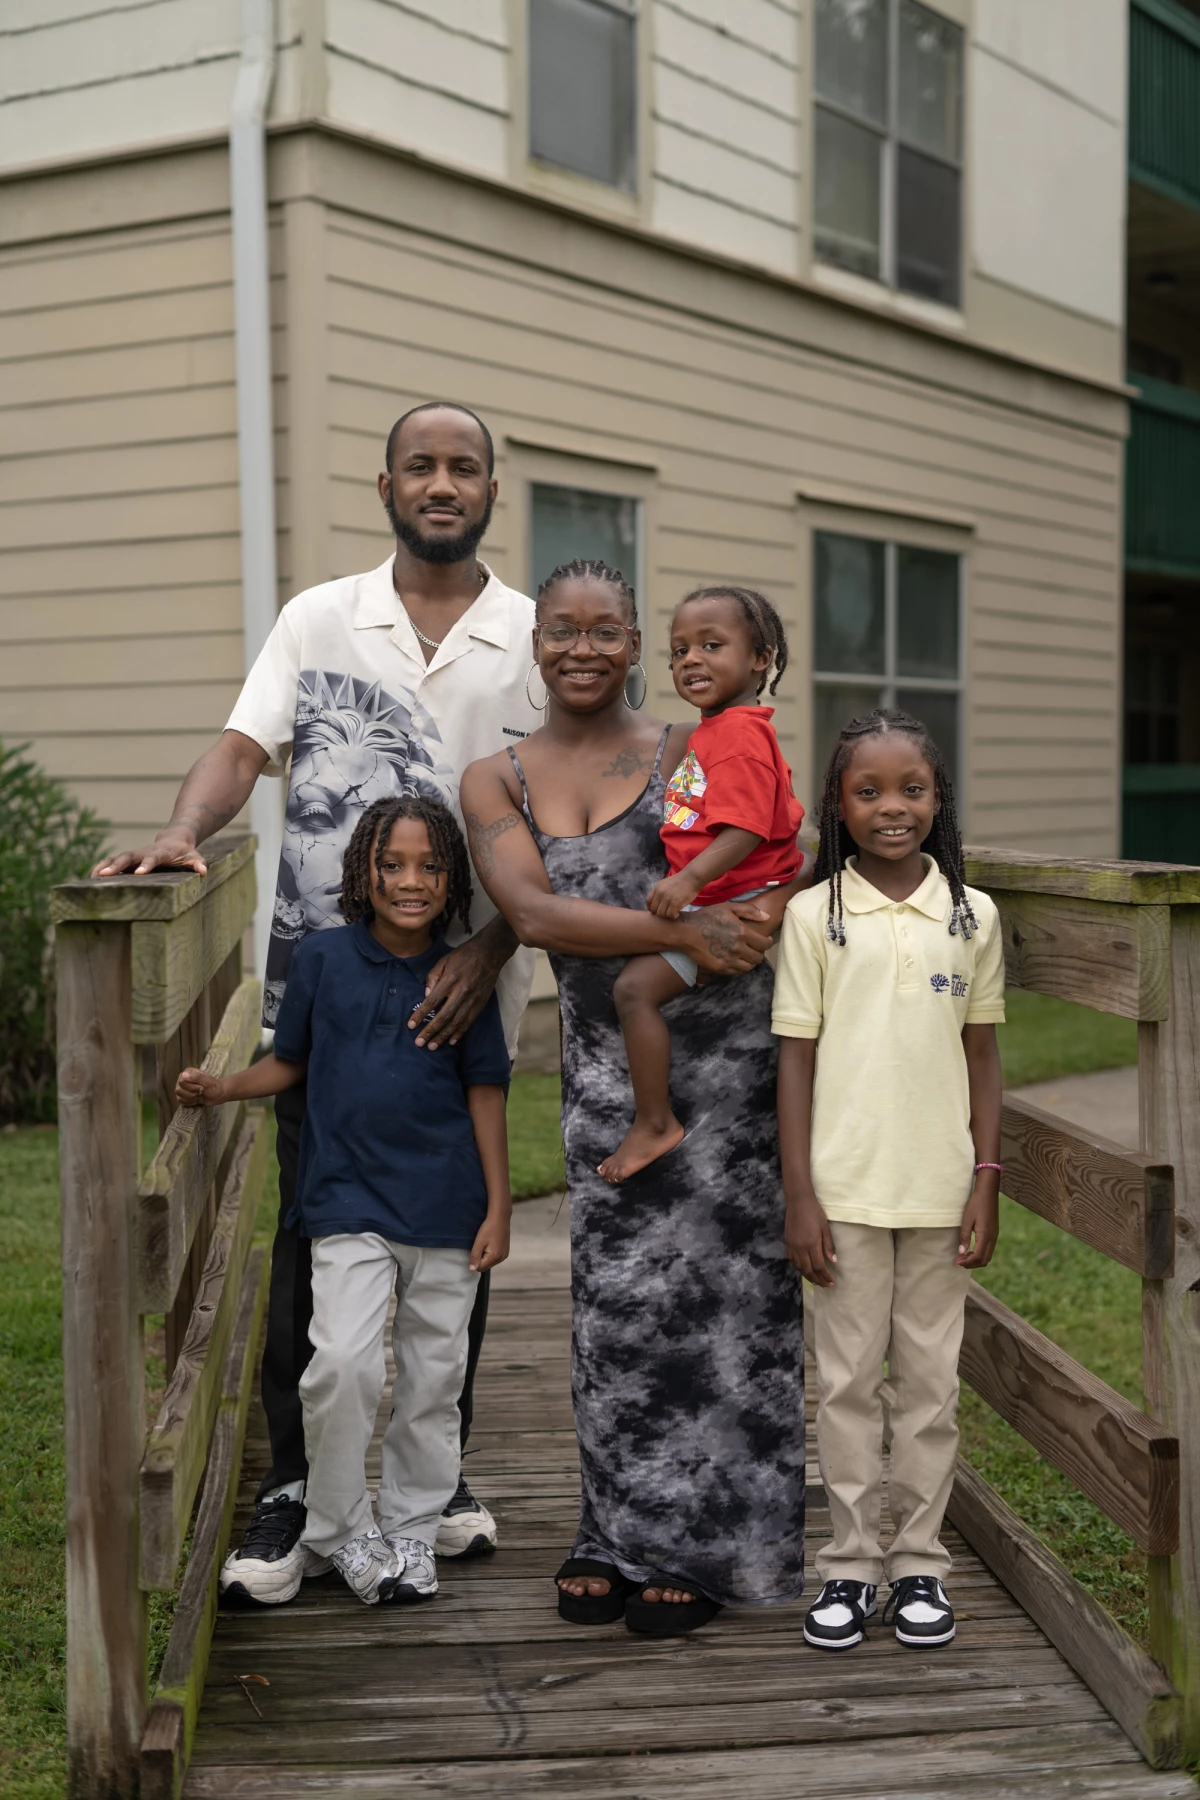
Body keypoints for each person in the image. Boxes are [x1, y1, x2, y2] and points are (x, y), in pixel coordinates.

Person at [93, 402, 541, 1601]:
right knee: (314, 1226)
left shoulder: (537, 638)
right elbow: (244, 747)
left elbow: (563, 816)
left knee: (457, 1229)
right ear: (385, 484)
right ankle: (299, 1478)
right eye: (421, 467)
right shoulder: (319, 618)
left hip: (470, 986)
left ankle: (434, 1478)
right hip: (326, 985)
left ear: (494, 487)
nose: (442, 483)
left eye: (464, 467)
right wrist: (185, 830)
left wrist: (492, 946)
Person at [460, 558, 808, 1637]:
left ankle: (710, 1551)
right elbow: (534, 916)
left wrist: (752, 916)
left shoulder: (693, 745)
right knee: (619, 1320)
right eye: (561, 629)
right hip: (610, 1081)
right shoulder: (495, 779)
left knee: (732, 1320)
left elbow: (779, 848)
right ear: (535, 643)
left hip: (731, 1073)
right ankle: (612, 1534)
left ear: (633, 643)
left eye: (605, 629)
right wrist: (685, 928)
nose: (581, 647)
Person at [175, 795, 512, 1604]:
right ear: (363, 871)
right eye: (392, 864)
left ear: (453, 877)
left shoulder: (463, 972)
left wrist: (500, 1208)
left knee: (435, 1378)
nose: (412, 880)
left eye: (431, 866)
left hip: (446, 1205)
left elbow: (488, 1093)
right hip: (347, 1202)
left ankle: (411, 1528)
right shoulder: (322, 959)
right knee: (341, 1367)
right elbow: (289, 1062)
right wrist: (224, 1088)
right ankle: (338, 1526)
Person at [773, 708, 1005, 1653]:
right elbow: (794, 1062)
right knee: (843, 1387)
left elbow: (984, 1058)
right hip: (844, 1195)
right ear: (839, 803)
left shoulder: (972, 914)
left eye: (911, 789)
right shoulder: (813, 914)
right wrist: (800, 1194)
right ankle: (849, 1565)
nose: (891, 807)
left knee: (930, 1388)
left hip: (942, 1190)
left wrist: (986, 1177)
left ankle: (918, 1566)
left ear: (938, 798)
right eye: (868, 792)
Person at [598, 586, 804, 1183]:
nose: (691, 660)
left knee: (635, 991)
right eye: (679, 650)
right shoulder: (715, 732)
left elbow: (745, 828)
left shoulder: (739, 735)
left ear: (761, 657)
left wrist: (688, 881)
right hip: (725, 900)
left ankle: (655, 1123)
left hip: (738, 904)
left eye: (712, 645)